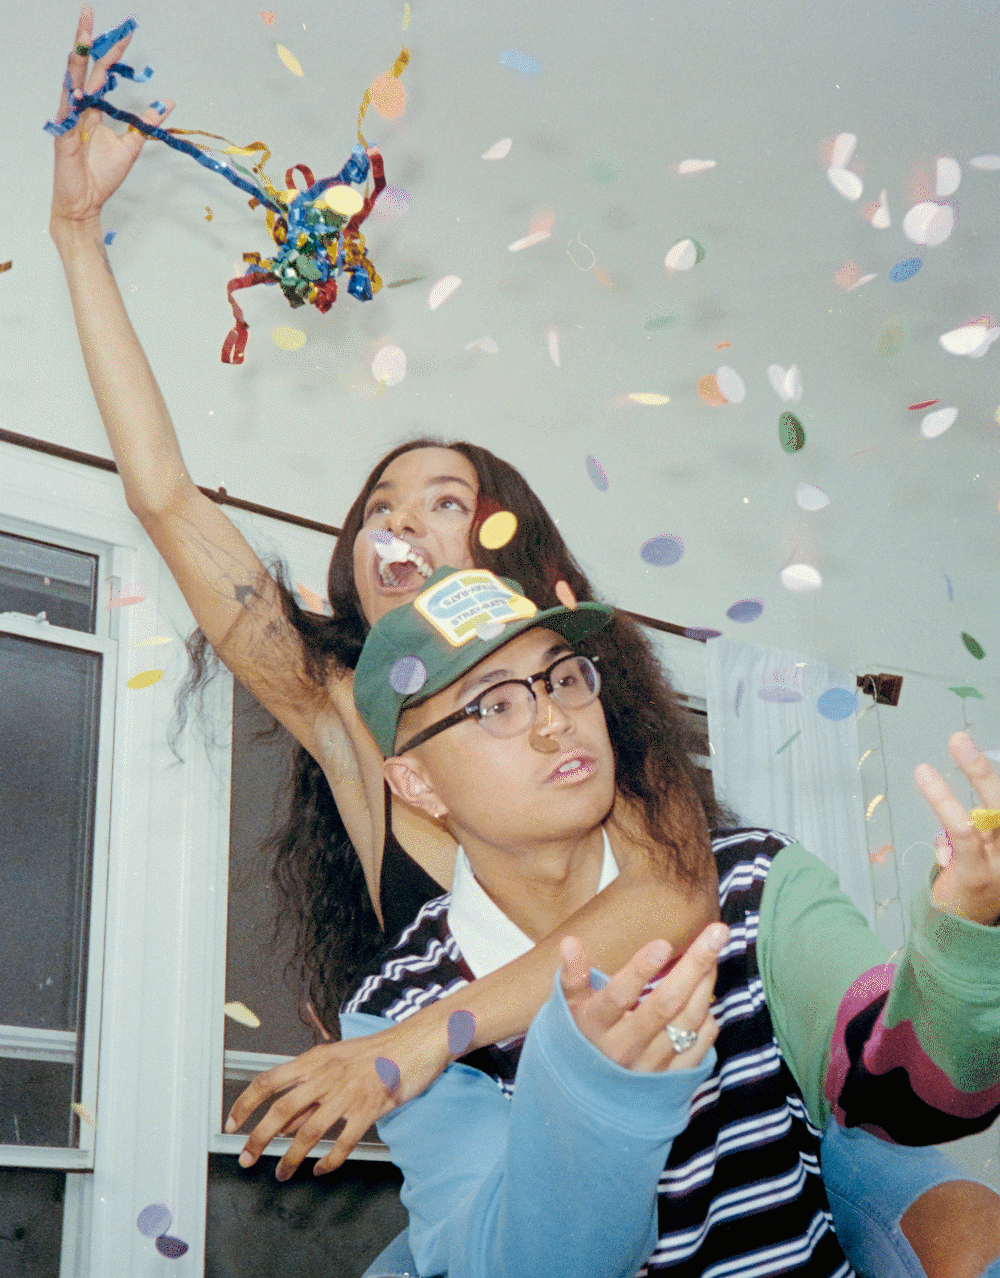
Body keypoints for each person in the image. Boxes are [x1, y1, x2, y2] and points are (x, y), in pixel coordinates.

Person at [49, 13, 1000, 1274]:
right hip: (521, 1170)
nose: (400, 525)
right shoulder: (350, 726)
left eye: (445, 501)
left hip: (749, 1145)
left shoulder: (618, 767)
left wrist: (411, 1047)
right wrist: (76, 234)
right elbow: (165, 498)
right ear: (409, 773)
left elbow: (675, 902)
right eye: (379, 509)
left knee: (940, 1199)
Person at [342, 566, 1000, 1277]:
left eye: (563, 678)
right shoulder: (399, 1009)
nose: (555, 719)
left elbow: (905, 1098)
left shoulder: (751, 881)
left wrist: (966, 930)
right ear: (417, 783)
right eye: (495, 705)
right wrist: (592, 1094)